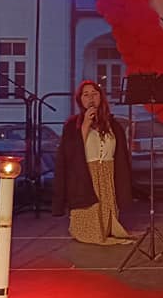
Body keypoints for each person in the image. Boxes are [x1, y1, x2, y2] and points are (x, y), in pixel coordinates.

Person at [54, 80, 134, 245]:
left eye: (94, 94)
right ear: (80, 100)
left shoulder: (112, 124)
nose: (90, 98)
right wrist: (85, 124)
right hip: (85, 172)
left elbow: (120, 151)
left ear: (101, 97)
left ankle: (107, 227)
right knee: (89, 208)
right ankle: (87, 231)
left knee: (106, 211)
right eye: (86, 95)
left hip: (106, 170)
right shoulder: (72, 124)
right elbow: (71, 152)